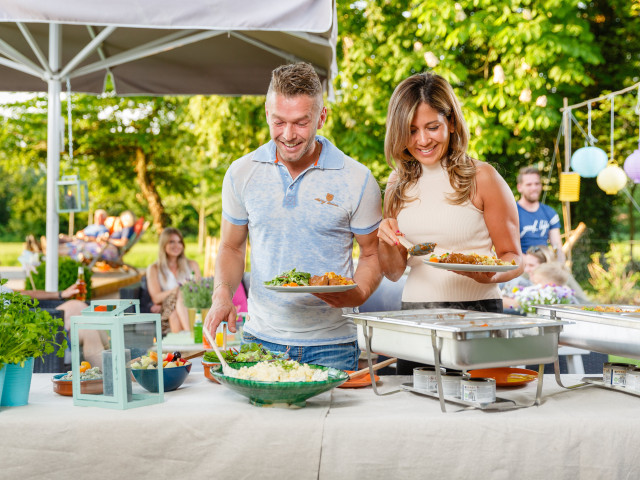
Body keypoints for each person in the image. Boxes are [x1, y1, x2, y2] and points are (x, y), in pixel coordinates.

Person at [204, 62, 383, 371]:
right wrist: (222, 294)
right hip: (260, 342)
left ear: (321, 117)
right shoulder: (241, 173)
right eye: (279, 121)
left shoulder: (358, 178)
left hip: (333, 346)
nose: (288, 135)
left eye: (301, 122)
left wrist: (360, 291)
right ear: (267, 113)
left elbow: (373, 252)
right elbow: (232, 247)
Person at [376, 72, 524, 374]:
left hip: (477, 313)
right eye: (411, 130)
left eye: (433, 127)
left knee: (481, 410)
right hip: (416, 315)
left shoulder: (483, 177)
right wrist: (385, 238)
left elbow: (514, 259)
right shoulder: (396, 184)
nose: (423, 140)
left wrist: (490, 277)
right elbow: (393, 272)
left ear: (452, 123)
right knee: (417, 413)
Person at [1, 283, 106, 367]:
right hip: (34, 346)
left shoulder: (4, 291)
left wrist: (60, 294)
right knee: (82, 314)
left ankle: (108, 375)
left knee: (87, 326)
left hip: (44, 338)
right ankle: (111, 375)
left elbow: (25, 294)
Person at [147, 227, 201, 335]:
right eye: (172, 242)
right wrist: (178, 288)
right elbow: (156, 298)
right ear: (164, 245)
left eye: (179, 242)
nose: (177, 246)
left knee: (175, 314)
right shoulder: (154, 268)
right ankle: (190, 334)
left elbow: (199, 290)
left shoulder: (192, 265)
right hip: (167, 306)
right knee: (180, 293)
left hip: (191, 304)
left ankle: (185, 344)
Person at [516, 166, 566, 264]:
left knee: (567, 278)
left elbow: (557, 247)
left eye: (537, 184)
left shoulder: (549, 212)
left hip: (545, 264)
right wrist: (532, 263)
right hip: (522, 265)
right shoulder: (513, 212)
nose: (534, 188)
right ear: (520, 187)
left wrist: (561, 266)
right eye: (529, 184)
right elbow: (509, 249)